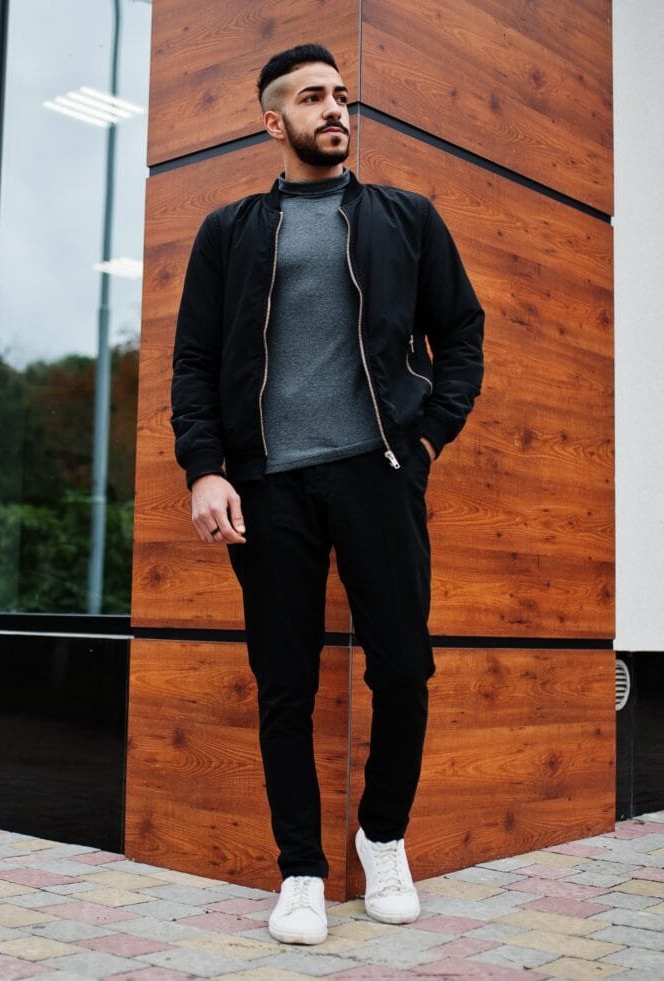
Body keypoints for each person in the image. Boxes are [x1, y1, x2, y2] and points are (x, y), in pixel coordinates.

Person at [170, 43, 484, 945]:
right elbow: (194, 362)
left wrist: (426, 436)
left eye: (342, 96)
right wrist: (206, 467)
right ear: (274, 122)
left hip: (378, 471)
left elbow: (461, 332)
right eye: (313, 98)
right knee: (284, 683)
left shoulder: (403, 219)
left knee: (404, 669)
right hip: (269, 486)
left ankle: (381, 836)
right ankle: (301, 869)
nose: (335, 109)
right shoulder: (229, 231)